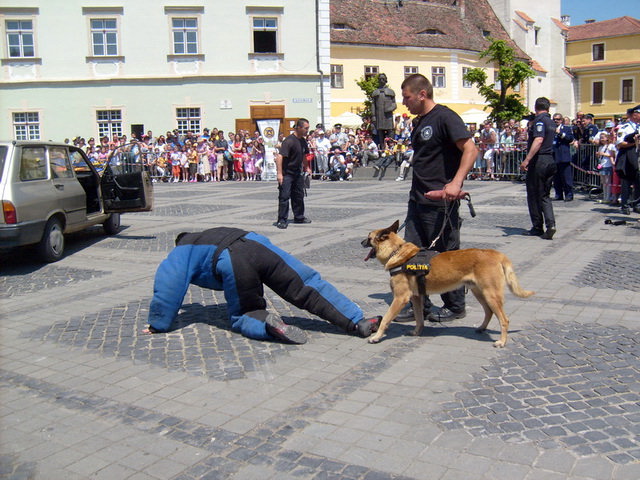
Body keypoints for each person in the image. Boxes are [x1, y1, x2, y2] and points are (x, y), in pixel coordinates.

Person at [143, 228, 381, 343]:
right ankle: (356, 321)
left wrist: (158, 324)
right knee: (306, 284)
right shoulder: (210, 232)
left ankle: (267, 325)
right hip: (257, 244)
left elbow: (168, 287)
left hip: (231, 260)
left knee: (246, 313)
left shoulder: (181, 250)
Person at [395, 73, 477, 323]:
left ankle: (455, 306)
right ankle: (421, 303)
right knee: (413, 254)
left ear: (422, 94)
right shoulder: (419, 121)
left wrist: (455, 183)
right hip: (418, 199)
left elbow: (471, 149)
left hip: (441, 202)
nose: (404, 102)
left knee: (446, 257)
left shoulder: (445, 117)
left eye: (407, 97)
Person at [520, 97, 558, 240]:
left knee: (534, 194)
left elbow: (538, 139)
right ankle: (550, 224)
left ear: (536, 107)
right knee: (545, 195)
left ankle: (537, 227)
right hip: (550, 159)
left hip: (539, 160)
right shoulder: (551, 122)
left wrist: (527, 159)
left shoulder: (539, 121)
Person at [275, 118, 312, 229]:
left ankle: (299, 217)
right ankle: (282, 220)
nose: (307, 130)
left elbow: (304, 155)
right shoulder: (289, 141)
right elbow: (280, 157)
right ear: (299, 127)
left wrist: (307, 168)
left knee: (298, 196)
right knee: (284, 197)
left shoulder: (303, 141)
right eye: (306, 128)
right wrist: (280, 174)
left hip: (297, 173)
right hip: (287, 173)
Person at [615, 105, 640, 214]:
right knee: (626, 182)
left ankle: (637, 203)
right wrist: (634, 142)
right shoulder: (624, 127)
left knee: (638, 182)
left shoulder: (639, 127)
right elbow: (620, 143)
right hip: (627, 157)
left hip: (637, 157)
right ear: (634, 115)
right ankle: (625, 204)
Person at [552, 112, 575, 201]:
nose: (555, 121)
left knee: (566, 178)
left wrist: (560, 133)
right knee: (556, 178)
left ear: (561, 120)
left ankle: (569, 194)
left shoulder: (566, 128)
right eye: (554, 119)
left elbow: (570, 139)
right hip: (554, 155)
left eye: (557, 119)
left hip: (563, 156)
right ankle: (558, 194)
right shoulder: (551, 129)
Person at [370, 73, 397, 147]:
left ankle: (391, 147)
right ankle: (382, 149)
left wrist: (389, 109)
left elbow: (394, 104)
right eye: (380, 79)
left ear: (385, 80)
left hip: (388, 116)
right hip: (379, 115)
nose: (381, 80)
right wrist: (373, 116)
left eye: (383, 79)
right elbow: (373, 105)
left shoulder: (391, 92)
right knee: (380, 133)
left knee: (390, 131)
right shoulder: (375, 92)